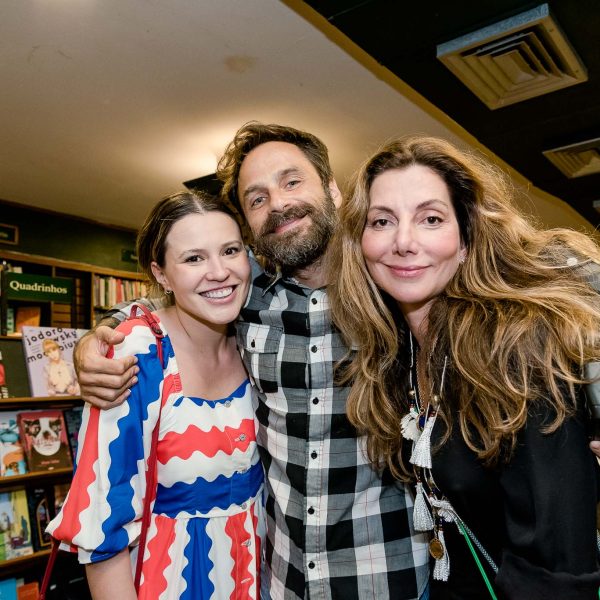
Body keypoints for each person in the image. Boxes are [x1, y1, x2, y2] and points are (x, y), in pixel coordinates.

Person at [74, 123, 431, 600]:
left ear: (332, 190)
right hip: (284, 580)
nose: (278, 203)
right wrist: (99, 339)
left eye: (291, 181)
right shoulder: (248, 297)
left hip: (389, 576)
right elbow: (183, 295)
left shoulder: (392, 284)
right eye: (257, 198)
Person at [327, 134, 600, 599]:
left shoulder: (516, 347)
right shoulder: (402, 355)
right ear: (361, 243)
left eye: (431, 218)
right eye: (382, 221)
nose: (404, 242)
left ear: (467, 240)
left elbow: (559, 558)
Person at [46, 191, 265, 600]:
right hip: (168, 582)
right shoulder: (138, 352)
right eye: (193, 258)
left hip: (256, 580)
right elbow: (104, 527)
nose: (219, 272)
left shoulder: (255, 338)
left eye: (230, 250)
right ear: (161, 274)